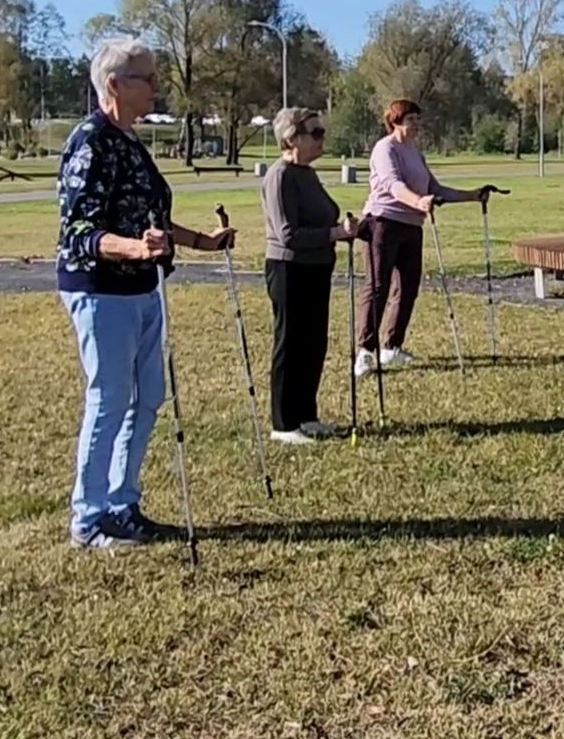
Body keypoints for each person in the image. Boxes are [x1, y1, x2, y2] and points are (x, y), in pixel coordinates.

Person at [57, 38, 234, 550]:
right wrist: (134, 248)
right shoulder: (91, 142)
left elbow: (149, 219)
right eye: (147, 78)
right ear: (115, 85)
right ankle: (89, 519)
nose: (158, 86)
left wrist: (201, 242)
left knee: (147, 397)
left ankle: (122, 504)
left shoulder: (130, 141)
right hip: (101, 289)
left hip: (144, 286)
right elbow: (78, 232)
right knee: (110, 399)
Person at [355, 99, 498, 373]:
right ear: (395, 122)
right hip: (383, 223)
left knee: (408, 288)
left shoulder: (415, 154)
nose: (417, 125)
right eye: (411, 119)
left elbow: (435, 188)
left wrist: (472, 195)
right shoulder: (385, 148)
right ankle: (365, 351)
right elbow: (393, 185)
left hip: (412, 226)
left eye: (418, 119)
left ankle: (391, 348)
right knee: (378, 286)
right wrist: (418, 201)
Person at [260, 107, 363, 445]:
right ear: (291, 139)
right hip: (289, 268)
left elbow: (323, 218)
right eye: (315, 133)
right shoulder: (280, 176)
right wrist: (335, 233)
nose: (322, 138)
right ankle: (284, 424)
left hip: (318, 266)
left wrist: (347, 229)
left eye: (322, 132)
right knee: (291, 343)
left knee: (313, 342)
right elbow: (287, 234)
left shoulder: (307, 174)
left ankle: (306, 415)